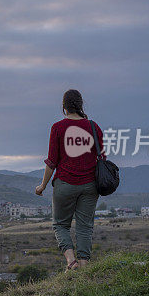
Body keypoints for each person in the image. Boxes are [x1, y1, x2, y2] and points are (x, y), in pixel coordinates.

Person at [34, 89, 103, 270]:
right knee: (85, 227)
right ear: (81, 105)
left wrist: (42, 185)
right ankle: (84, 265)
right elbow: (101, 156)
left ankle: (71, 262)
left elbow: (52, 161)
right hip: (90, 186)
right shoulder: (94, 127)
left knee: (60, 225)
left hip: (65, 184)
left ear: (63, 107)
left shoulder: (58, 127)